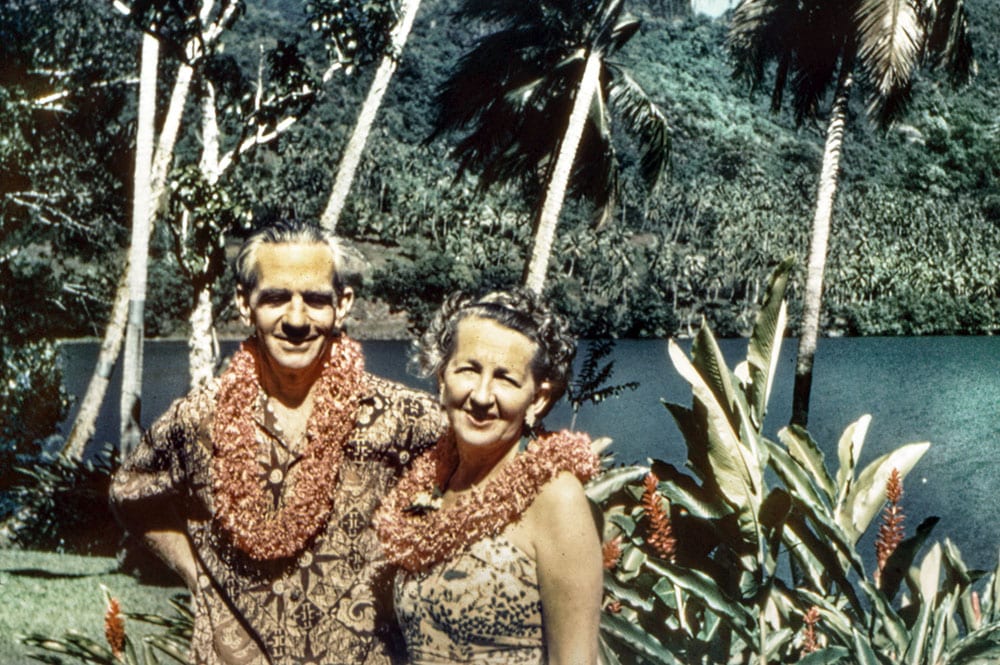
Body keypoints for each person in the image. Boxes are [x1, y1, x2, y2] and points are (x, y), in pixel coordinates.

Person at [110, 220, 444, 665]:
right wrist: (197, 576)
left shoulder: (406, 418)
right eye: (275, 298)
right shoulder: (198, 418)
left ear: (343, 305)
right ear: (245, 305)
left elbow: (485, 472)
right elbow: (127, 491)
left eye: (315, 299)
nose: (296, 320)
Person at [374, 289, 603, 665]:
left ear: (539, 398)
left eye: (505, 379)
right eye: (468, 370)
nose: (481, 396)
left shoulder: (555, 498)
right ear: (443, 378)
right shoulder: (431, 481)